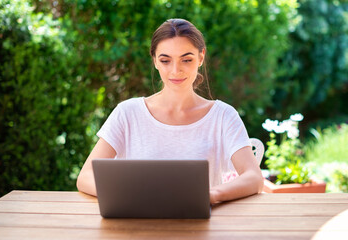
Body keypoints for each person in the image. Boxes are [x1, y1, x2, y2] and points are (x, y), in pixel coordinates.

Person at [76, 18, 263, 204]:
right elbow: (85, 177)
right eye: (165, 60)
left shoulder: (223, 116)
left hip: (197, 228)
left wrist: (211, 195)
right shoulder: (127, 113)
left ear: (201, 57)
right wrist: (130, 194)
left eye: (186, 59)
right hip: (136, 225)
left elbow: (253, 177)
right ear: (155, 61)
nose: (176, 70)